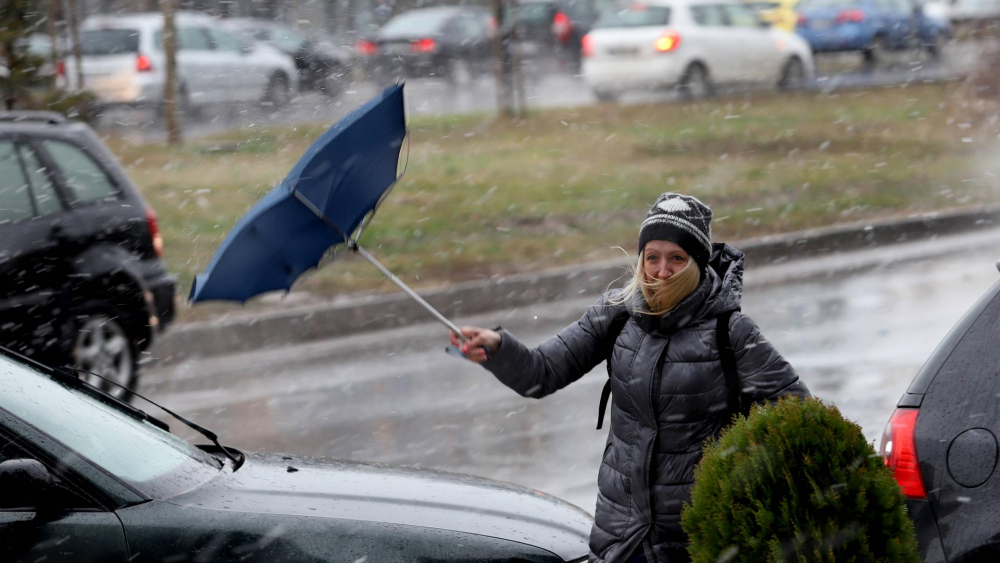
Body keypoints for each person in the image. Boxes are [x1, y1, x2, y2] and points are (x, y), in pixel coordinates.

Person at [448, 192, 810, 563]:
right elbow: (542, 372)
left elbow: (799, 417)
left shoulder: (731, 332)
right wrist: (498, 348)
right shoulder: (618, 313)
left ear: (696, 264)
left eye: (676, 259)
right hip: (623, 537)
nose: (661, 271)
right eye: (651, 257)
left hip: (699, 539)